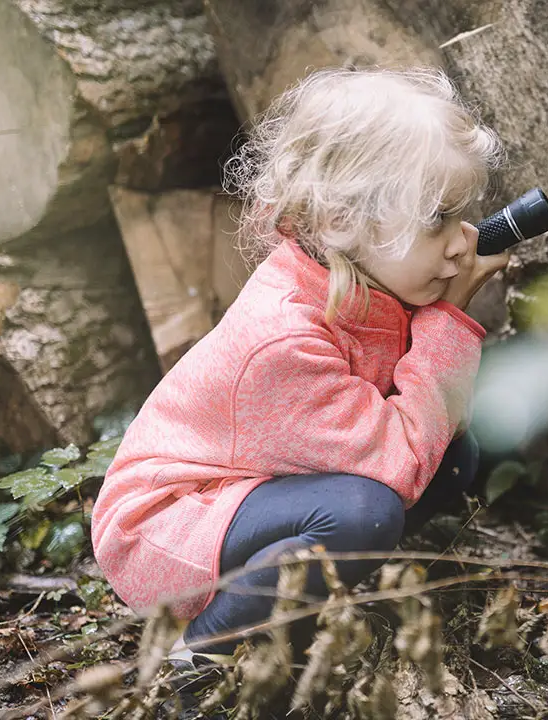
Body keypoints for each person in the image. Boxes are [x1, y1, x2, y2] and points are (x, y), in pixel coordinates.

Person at [90, 66, 510, 672]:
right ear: (343, 222)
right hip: (166, 529)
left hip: (241, 499)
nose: (461, 241)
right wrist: (450, 319)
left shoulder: (363, 281)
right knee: (365, 510)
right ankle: (203, 652)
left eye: (460, 215)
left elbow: (422, 438)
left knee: (454, 457)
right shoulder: (286, 338)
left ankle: (321, 595)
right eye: (435, 219)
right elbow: (398, 463)